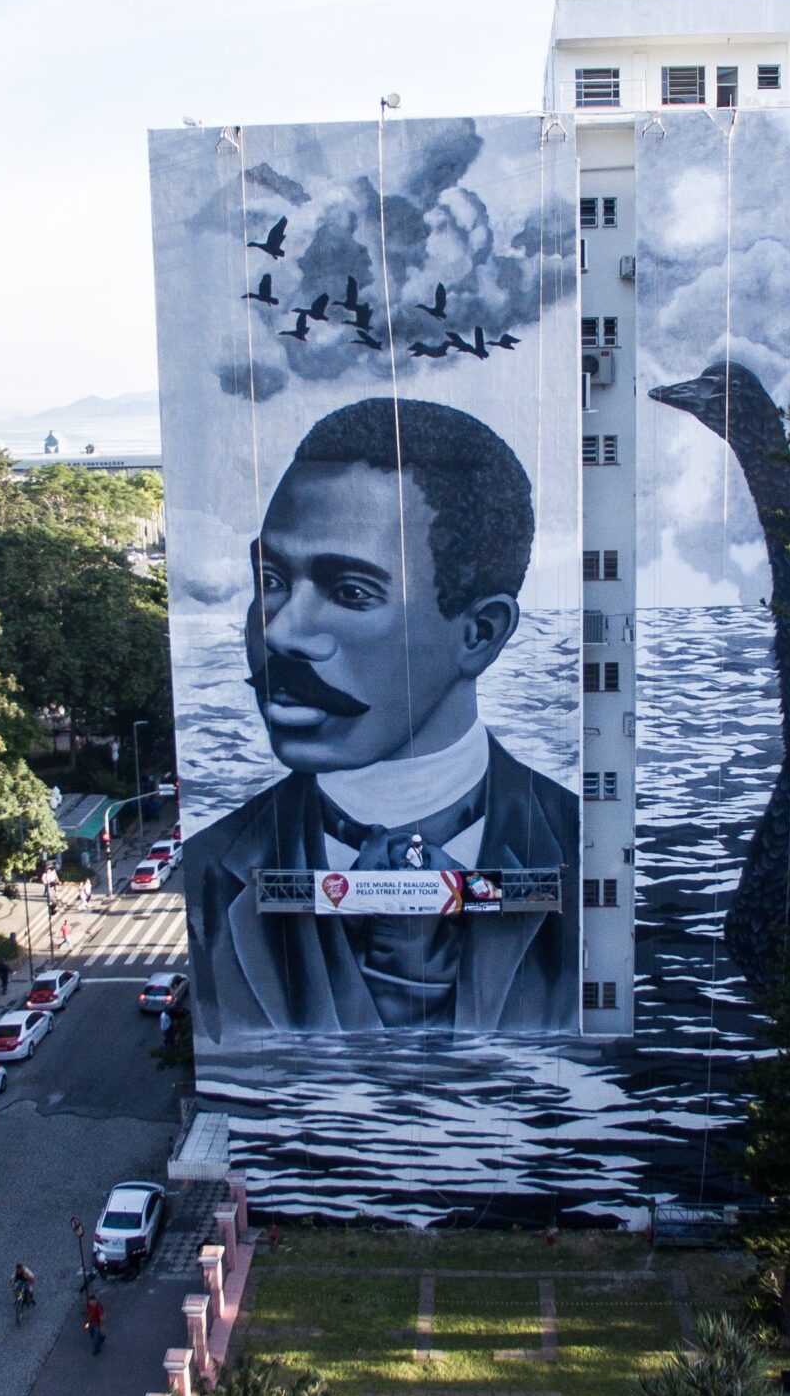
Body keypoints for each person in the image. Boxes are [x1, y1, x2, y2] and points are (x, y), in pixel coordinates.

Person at [185, 398, 580, 1040]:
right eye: (272, 578)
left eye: (350, 593)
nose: (281, 631)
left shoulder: (594, 859)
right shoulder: (209, 870)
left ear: (479, 634)